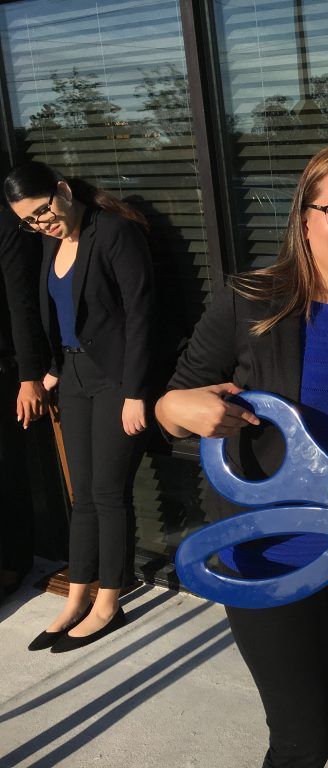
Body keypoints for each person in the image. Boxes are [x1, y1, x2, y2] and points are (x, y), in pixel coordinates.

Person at [155, 146, 328, 768]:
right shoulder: (249, 303)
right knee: (301, 740)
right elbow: (174, 406)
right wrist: (180, 411)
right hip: (265, 556)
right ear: (305, 216)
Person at [5, 162, 153, 651]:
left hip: (114, 380)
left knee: (109, 494)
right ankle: (77, 597)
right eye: (28, 221)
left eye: (43, 212)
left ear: (63, 191)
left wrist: (135, 391)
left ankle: (109, 601)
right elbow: (62, 314)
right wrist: (49, 369)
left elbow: (140, 315)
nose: (41, 225)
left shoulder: (114, 232)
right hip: (71, 376)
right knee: (81, 496)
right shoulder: (50, 241)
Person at [0, 206, 49, 599]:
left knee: (7, 470)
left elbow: (22, 305)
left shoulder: (6, 228)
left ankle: (13, 565)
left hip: (6, 369)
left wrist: (29, 376)